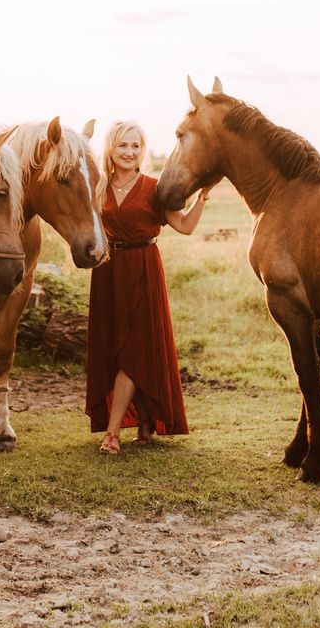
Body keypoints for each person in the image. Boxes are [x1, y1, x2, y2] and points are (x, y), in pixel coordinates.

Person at [86, 119, 214, 454]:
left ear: (143, 151)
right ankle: (144, 419)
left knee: (134, 350)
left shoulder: (155, 188)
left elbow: (184, 226)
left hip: (144, 270)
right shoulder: (97, 187)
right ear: (111, 149)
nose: (129, 152)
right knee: (114, 349)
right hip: (108, 273)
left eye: (136, 146)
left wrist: (202, 198)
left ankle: (112, 433)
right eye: (123, 145)